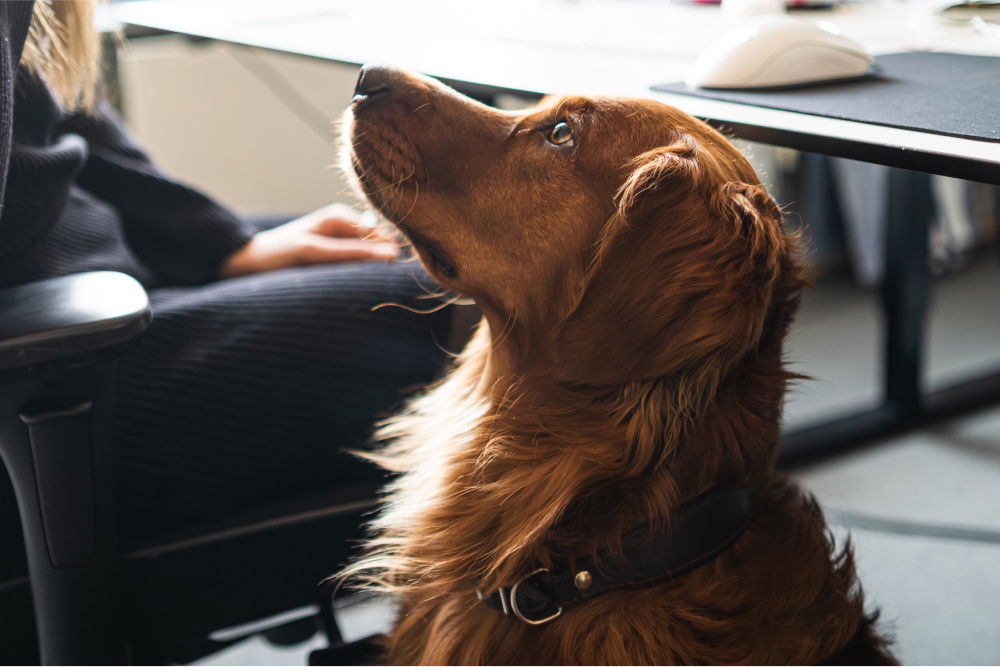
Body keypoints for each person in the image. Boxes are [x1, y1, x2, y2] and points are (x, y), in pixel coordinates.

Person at [0, 0, 471, 546]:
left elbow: (64, 107)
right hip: (58, 370)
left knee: (423, 249)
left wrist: (222, 245)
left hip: (112, 279)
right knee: (468, 293)